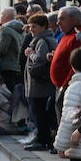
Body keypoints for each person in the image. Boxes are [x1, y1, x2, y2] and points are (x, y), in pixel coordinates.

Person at [22, 13, 57, 151]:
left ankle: (43, 140)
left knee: (40, 113)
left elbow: (41, 59)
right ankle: (42, 138)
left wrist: (30, 54)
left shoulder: (42, 41)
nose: (31, 29)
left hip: (40, 85)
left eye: (34, 26)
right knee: (40, 112)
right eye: (30, 26)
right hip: (40, 84)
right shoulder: (42, 39)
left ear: (43, 27)